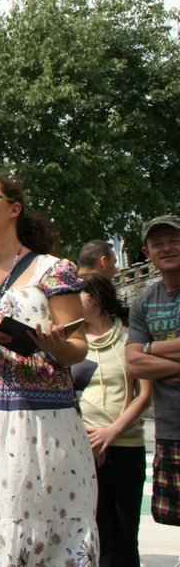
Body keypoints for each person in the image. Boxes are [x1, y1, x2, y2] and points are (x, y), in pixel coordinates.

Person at [0, 174, 98, 565]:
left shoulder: (52, 269)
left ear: (14, 208)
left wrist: (56, 345)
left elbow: (77, 346)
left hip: (42, 423)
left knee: (49, 528)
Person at [71, 272, 149, 567]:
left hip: (126, 443)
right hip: (85, 445)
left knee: (126, 530)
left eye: (77, 293)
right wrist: (86, 436)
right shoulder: (72, 341)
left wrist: (112, 431)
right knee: (95, 530)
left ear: (95, 298)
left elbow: (144, 395)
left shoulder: (130, 338)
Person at [125, 214, 180, 527]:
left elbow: (140, 355)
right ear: (147, 253)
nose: (167, 248)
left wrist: (151, 348)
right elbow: (133, 362)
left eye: (174, 240)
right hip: (170, 427)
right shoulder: (144, 302)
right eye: (158, 243)